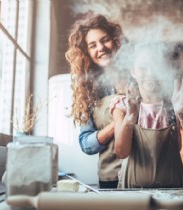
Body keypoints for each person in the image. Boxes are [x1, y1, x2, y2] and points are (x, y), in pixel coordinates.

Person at [111, 43, 183, 188]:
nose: (150, 73)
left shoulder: (176, 102)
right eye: (143, 67)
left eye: (156, 66)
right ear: (133, 71)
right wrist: (130, 118)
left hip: (174, 192)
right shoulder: (123, 106)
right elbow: (121, 152)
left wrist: (182, 113)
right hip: (133, 195)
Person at [65, 14, 126, 188]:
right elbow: (86, 144)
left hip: (145, 174)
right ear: (87, 53)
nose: (101, 48)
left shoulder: (138, 75)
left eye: (105, 40)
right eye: (93, 45)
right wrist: (117, 123)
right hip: (112, 180)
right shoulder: (88, 90)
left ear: (115, 41)